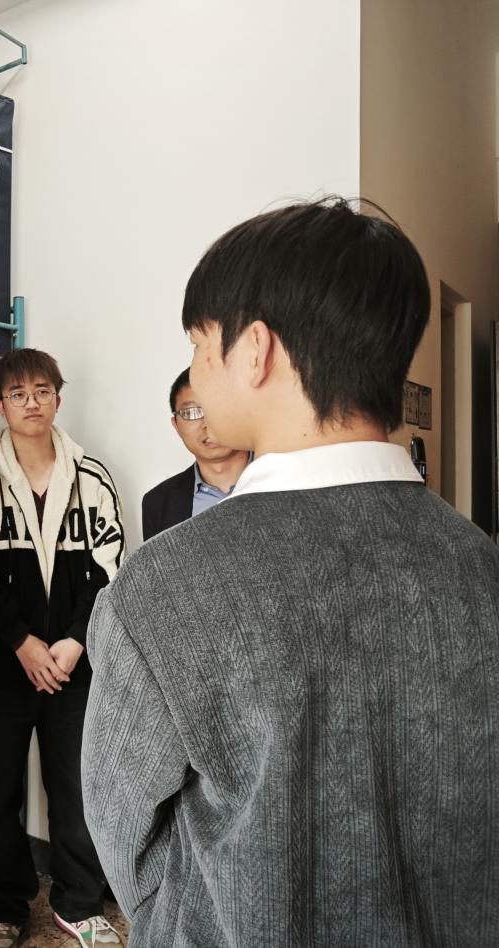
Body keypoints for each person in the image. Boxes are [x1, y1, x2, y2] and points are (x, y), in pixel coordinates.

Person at [82, 198, 499, 946]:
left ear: (256, 351)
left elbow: (129, 845)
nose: (197, 371)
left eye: (200, 344)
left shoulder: (159, 592)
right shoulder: (482, 567)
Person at [0, 348, 126, 948]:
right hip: (4, 666)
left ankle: (80, 903)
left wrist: (74, 641)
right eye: (18, 394)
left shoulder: (92, 477)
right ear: (1, 406)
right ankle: (3, 904)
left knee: (75, 786)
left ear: (57, 399)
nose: (32, 403)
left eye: (42, 391)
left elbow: (110, 566)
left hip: (73, 666)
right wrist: (21, 642)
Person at [140, 368, 250, 541]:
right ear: (176, 425)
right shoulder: (158, 503)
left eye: (218, 407)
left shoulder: (283, 479)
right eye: (192, 413)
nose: (207, 424)